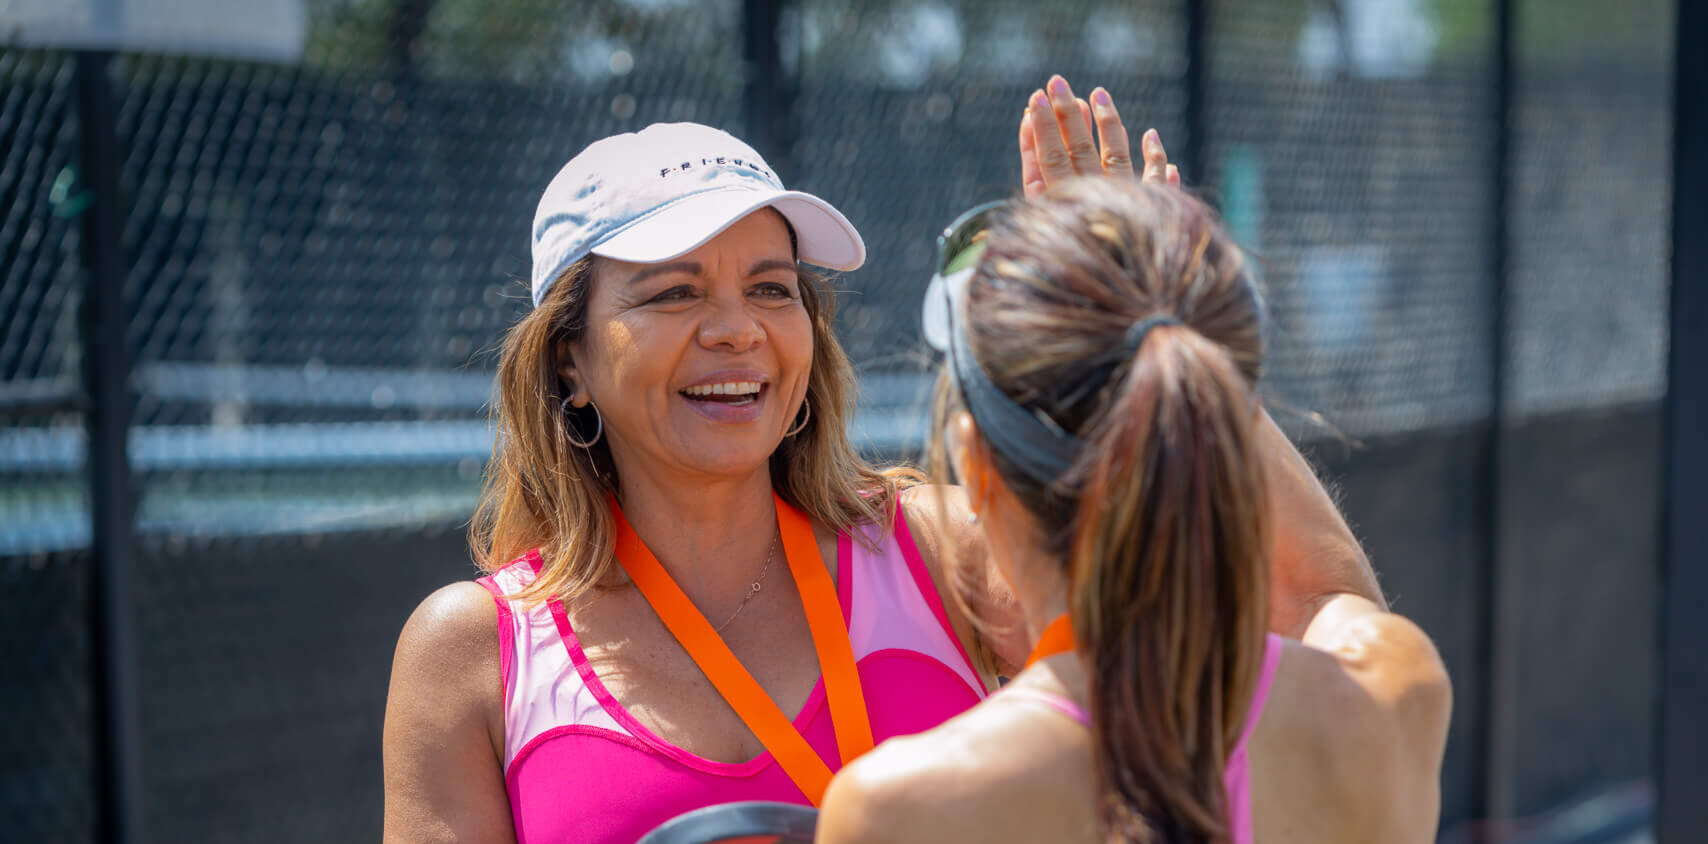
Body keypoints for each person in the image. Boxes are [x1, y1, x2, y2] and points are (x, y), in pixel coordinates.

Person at [382, 77, 1210, 843]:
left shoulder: (940, 550)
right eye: (676, 292)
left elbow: (1237, 640)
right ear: (570, 361)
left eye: (773, 289)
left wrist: (1143, 344)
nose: (737, 328)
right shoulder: (472, 653)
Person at [816, 180, 1453, 844]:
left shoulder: (904, 809)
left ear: (974, 468)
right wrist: (1170, 317)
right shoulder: (1394, 695)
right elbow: (1325, 594)